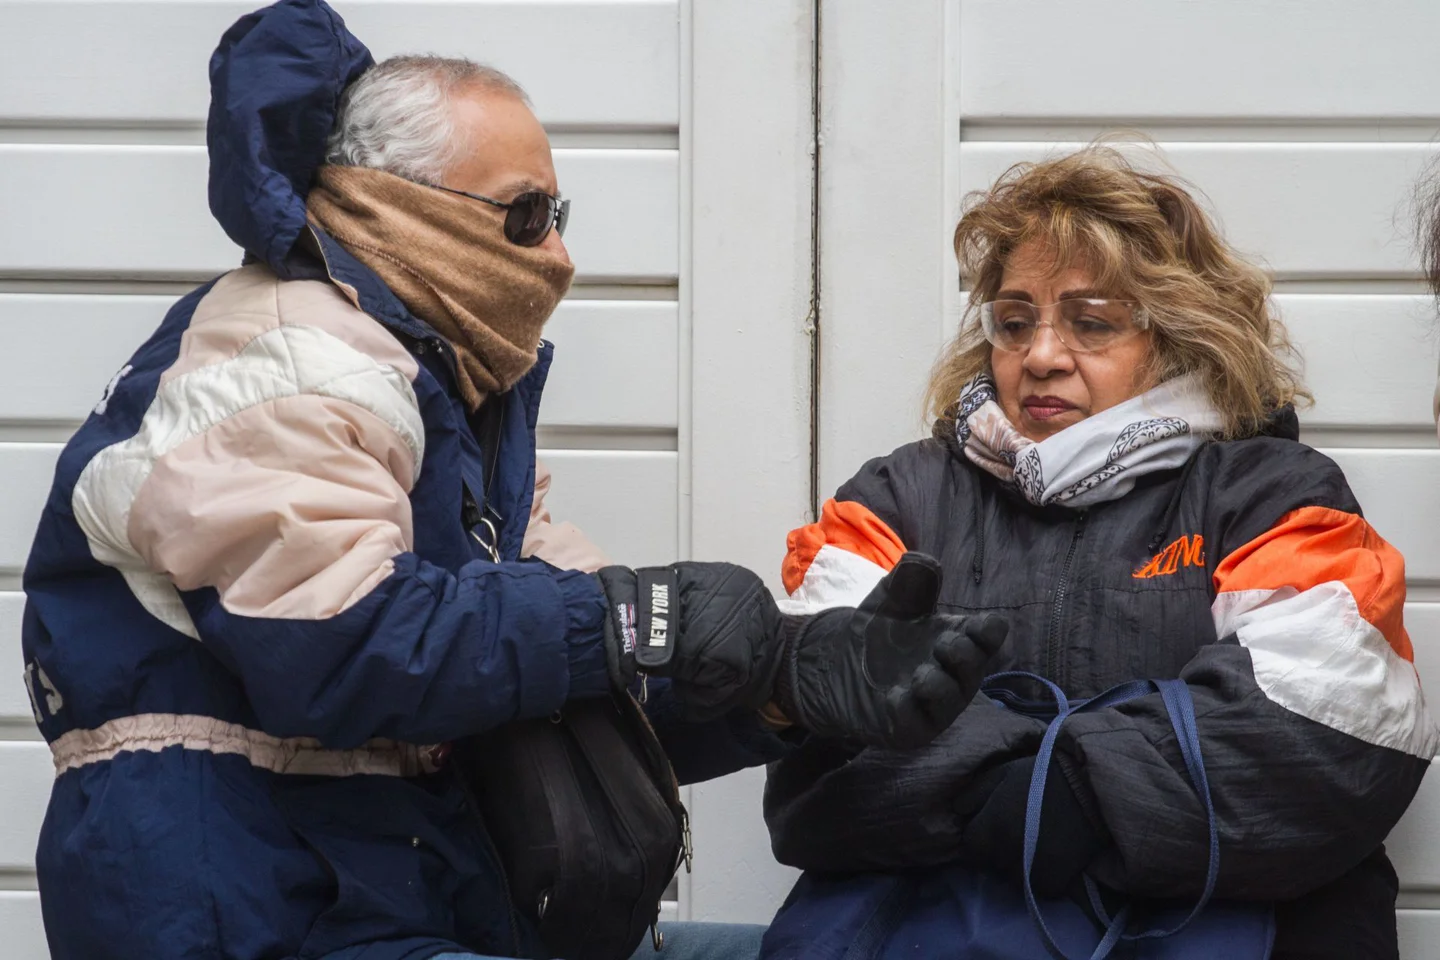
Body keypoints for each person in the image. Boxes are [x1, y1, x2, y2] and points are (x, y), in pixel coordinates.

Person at [18, 3, 1008, 959]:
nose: (562, 258)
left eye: (559, 215)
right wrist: (647, 616)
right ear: (396, 204)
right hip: (253, 915)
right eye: (527, 216)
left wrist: (788, 684)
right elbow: (342, 647)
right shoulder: (284, 361)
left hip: (393, 902)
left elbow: (570, 669)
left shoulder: (444, 407)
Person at [761, 147, 1438, 959]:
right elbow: (816, 737)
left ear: (1183, 338)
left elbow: (1327, 729)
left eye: (1092, 322)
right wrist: (1027, 791)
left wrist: (1067, 792)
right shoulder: (895, 500)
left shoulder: (1274, 494)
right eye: (1014, 322)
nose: (1041, 355)